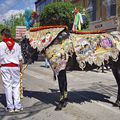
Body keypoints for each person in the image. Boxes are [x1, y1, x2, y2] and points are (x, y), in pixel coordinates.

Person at [0, 28, 23, 112]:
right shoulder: (17, 45)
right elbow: (20, 59)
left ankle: (10, 107)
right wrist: (21, 68)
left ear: (3, 35)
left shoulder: (1, 45)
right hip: (15, 67)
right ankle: (17, 106)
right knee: (16, 86)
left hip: (5, 67)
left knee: (7, 86)